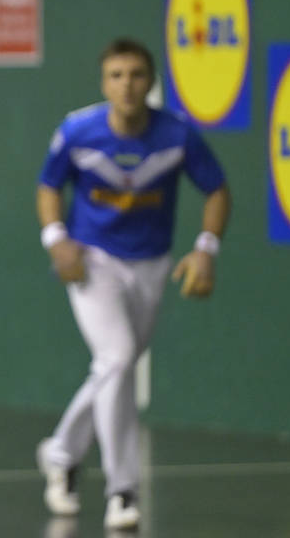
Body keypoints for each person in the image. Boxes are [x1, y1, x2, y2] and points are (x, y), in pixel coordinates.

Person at [34, 37, 230, 530]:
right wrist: (57, 239)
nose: (127, 85)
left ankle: (60, 452)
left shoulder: (177, 135)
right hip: (93, 260)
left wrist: (206, 249)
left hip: (153, 264)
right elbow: (48, 185)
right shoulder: (79, 130)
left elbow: (216, 189)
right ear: (105, 83)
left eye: (137, 75)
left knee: (112, 368)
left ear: (150, 81)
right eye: (117, 75)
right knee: (118, 360)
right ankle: (123, 489)